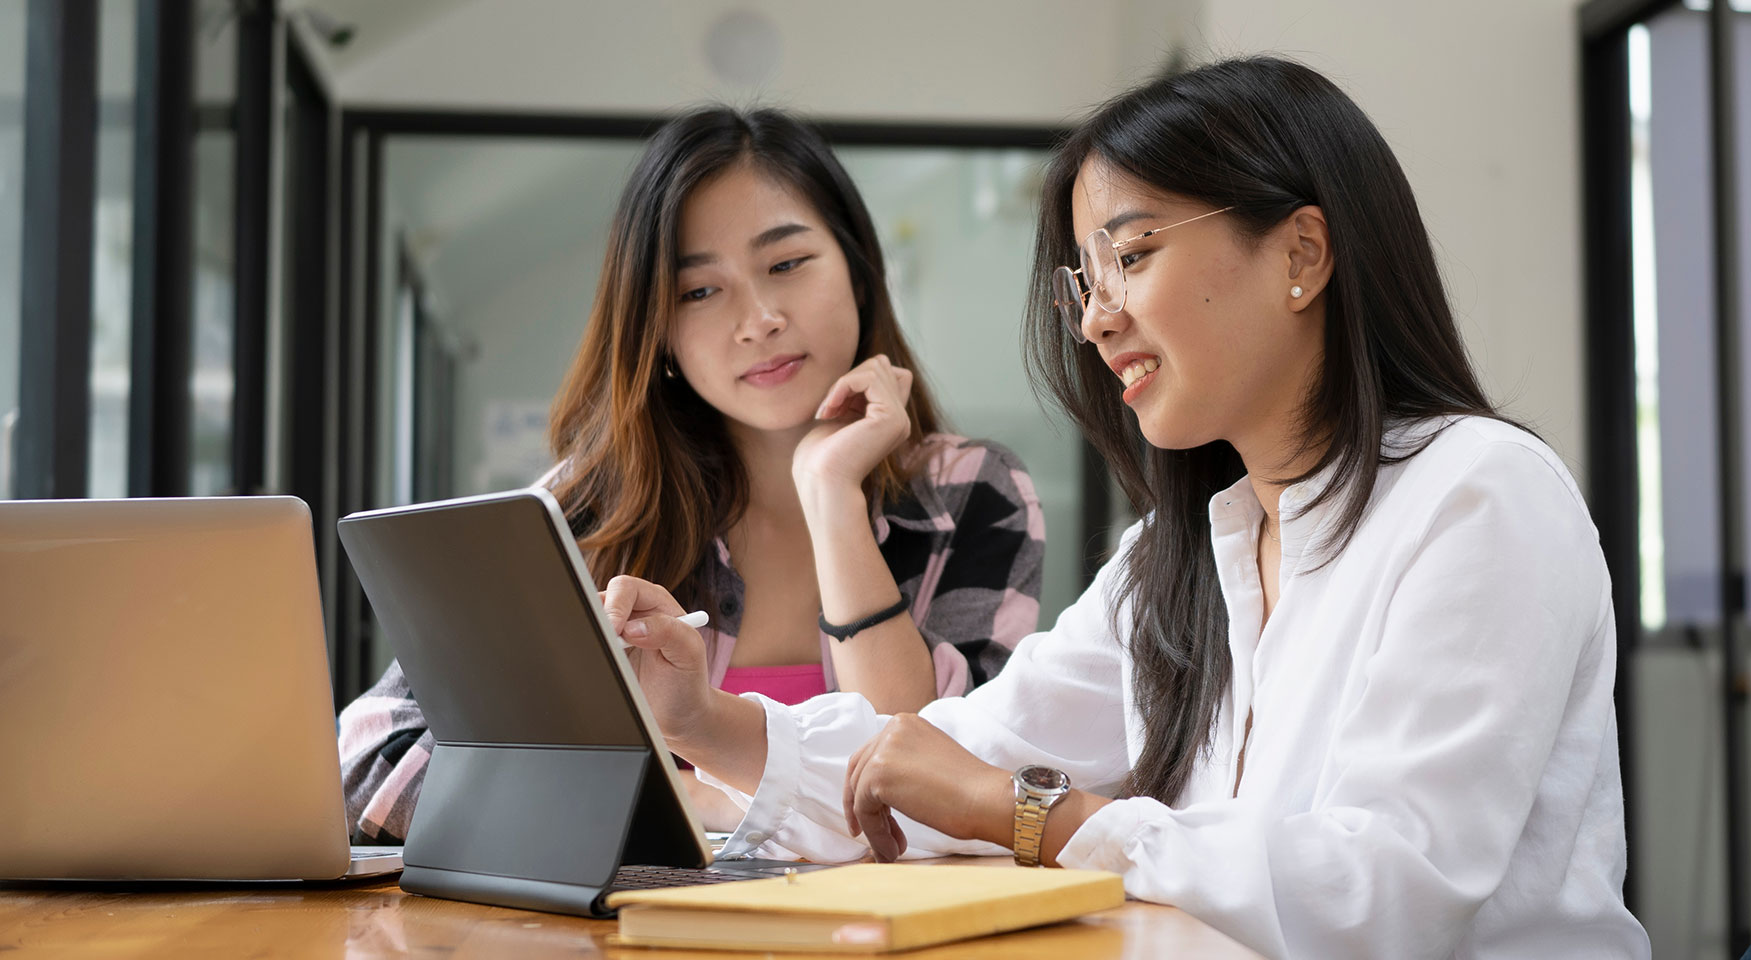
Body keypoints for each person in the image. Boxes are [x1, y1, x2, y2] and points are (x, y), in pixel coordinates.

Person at [603, 58, 1652, 958]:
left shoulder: (1479, 497)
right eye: (1085, 278)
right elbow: (951, 758)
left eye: (1133, 256)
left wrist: (1034, 818)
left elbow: (1380, 899)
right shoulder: (1180, 551)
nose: (1098, 321)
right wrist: (704, 719)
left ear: (1301, 254)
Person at [338, 107, 1046, 842]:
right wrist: (695, 805)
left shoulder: (976, 494)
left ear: (860, 272)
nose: (759, 318)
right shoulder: (589, 507)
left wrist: (831, 495)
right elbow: (368, 763)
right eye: (699, 292)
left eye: (787, 264)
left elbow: (946, 788)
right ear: (660, 332)